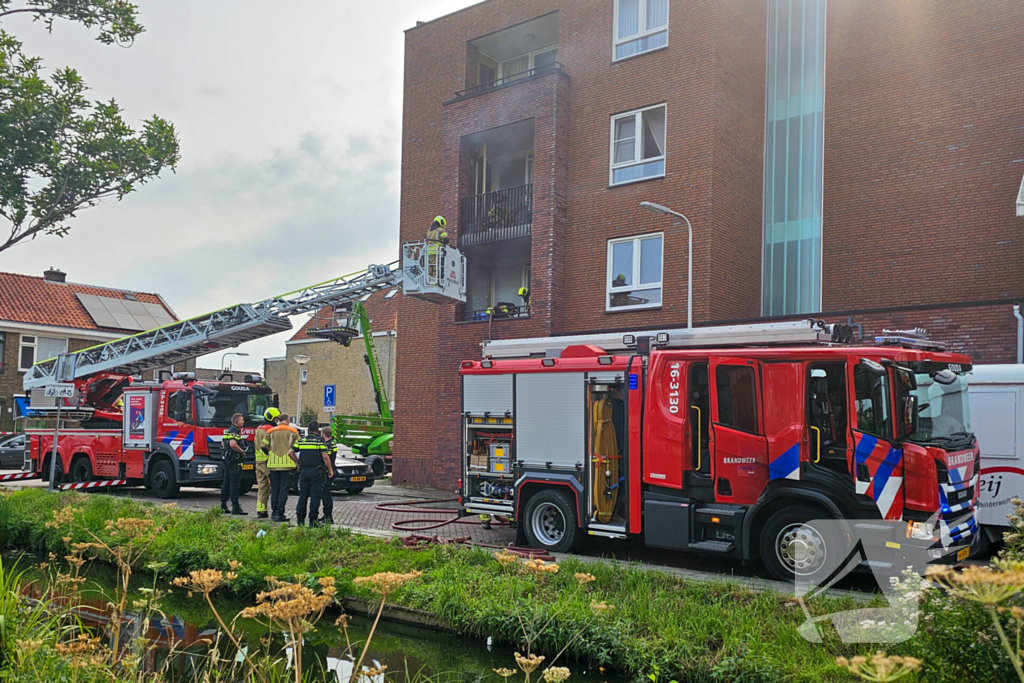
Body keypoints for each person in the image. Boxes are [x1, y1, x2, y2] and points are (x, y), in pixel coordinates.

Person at [291, 421, 334, 527]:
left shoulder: (302, 440)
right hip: (316, 472)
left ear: (308, 430)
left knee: (303, 496)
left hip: (303, 471)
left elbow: (290, 452)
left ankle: (300, 520)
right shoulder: (319, 441)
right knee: (315, 497)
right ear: (317, 431)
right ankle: (313, 521)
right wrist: (330, 469)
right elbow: (325, 456)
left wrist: (298, 462)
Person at [266, 414, 300, 523]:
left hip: (273, 465)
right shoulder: (293, 431)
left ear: (278, 420)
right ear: (287, 420)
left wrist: (271, 455)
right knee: (283, 490)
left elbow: (263, 447)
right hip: (288, 465)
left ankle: (274, 512)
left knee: (274, 490)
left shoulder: (270, 431)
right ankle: (280, 513)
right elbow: (298, 447)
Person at [253, 407, 280, 519]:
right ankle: (276, 511)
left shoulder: (259, 428)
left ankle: (261, 510)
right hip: (267, 462)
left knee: (262, 487)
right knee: (275, 486)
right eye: (276, 419)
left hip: (258, 461)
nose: (277, 421)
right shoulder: (270, 430)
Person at [219, 413, 248, 515]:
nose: (243, 422)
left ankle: (223, 505)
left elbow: (223, 443)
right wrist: (242, 452)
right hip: (234, 461)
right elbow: (233, 444)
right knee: (234, 484)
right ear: (236, 422)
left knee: (226, 482)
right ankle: (235, 507)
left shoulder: (228, 431)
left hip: (227, 459)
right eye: (241, 420)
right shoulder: (234, 431)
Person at [318, 426, 336, 526]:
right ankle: (326, 515)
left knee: (326, 494)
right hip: (331, 470)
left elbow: (326, 457)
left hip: (329, 471)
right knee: (325, 494)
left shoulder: (328, 445)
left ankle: (328, 516)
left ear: (323, 434)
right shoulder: (332, 443)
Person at [426, 215, 448, 281]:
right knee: (437, 268)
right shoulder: (440, 230)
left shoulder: (429, 231)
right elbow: (446, 239)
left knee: (430, 268)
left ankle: (430, 282)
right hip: (437, 251)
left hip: (429, 252)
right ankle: (436, 283)